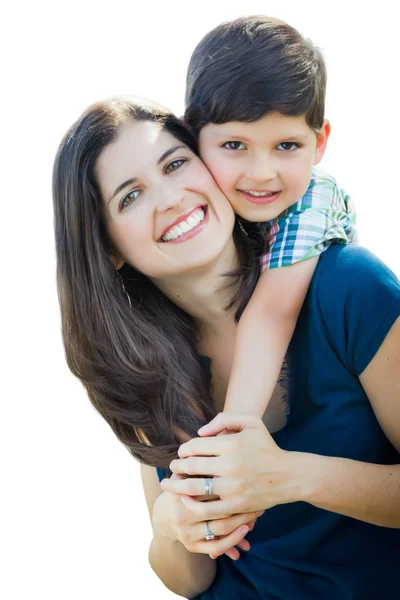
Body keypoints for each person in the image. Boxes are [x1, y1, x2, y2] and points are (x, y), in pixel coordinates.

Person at [53, 97, 400, 600]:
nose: (171, 198)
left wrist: (294, 477)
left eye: (176, 164)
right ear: (107, 249)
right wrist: (172, 523)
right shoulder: (138, 363)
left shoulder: (348, 287)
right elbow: (191, 579)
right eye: (130, 197)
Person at [184, 15, 357, 420]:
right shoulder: (201, 209)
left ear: (319, 142)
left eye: (286, 145)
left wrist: (234, 431)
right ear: (192, 138)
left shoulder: (313, 199)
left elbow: (272, 313)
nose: (262, 172)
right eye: (233, 144)